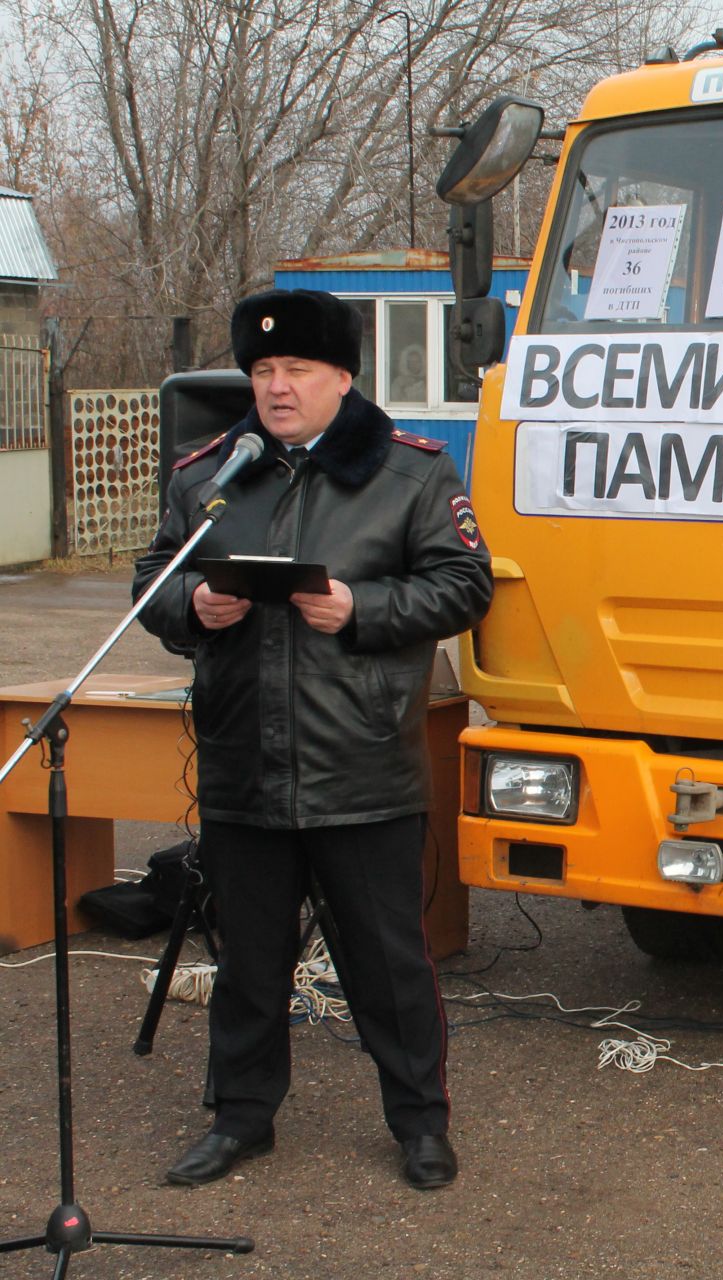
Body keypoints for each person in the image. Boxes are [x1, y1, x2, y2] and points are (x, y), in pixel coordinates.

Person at [133, 289, 493, 1189]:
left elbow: (465, 585)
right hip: (244, 760)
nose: (276, 388)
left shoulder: (411, 474)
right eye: (261, 372)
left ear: (342, 376)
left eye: (295, 370)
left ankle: (421, 1126)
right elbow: (154, 577)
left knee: (387, 964)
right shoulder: (212, 473)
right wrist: (193, 606)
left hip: (359, 761)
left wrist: (360, 608)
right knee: (250, 962)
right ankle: (241, 1119)